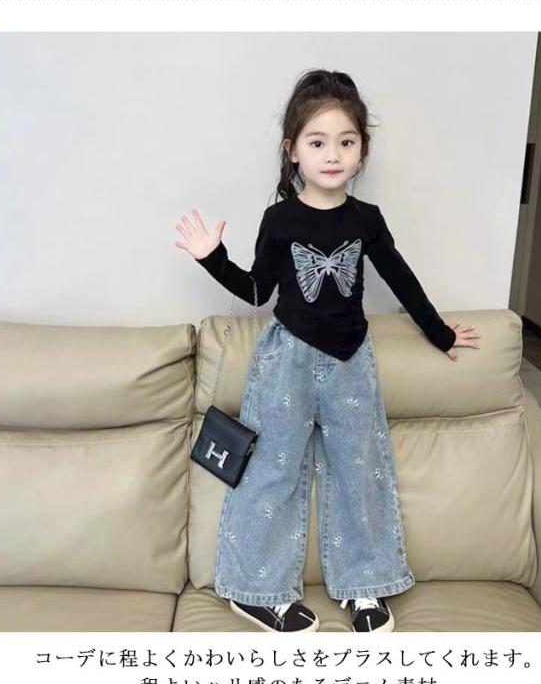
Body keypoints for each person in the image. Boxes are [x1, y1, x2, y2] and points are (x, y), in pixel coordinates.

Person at [174, 69, 481, 633]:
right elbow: (258, 291)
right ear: (293, 150)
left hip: (351, 360)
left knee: (361, 471)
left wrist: (440, 333)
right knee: (272, 470)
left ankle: (366, 588)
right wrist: (211, 257)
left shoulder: (366, 220)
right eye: (317, 142)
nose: (333, 154)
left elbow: (401, 278)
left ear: (362, 150)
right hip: (286, 358)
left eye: (346, 141)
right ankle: (257, 591)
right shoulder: (279, 220)